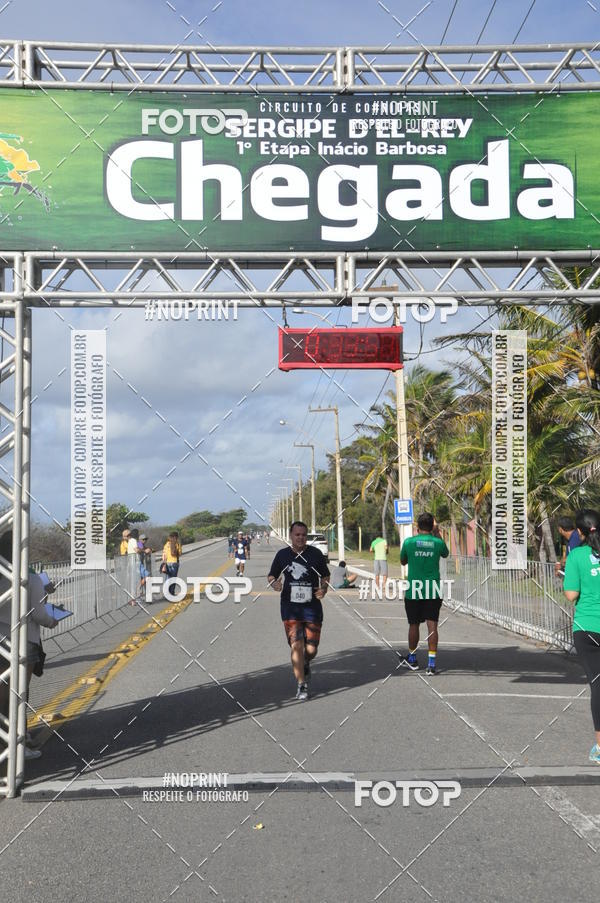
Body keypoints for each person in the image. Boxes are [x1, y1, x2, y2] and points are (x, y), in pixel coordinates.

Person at [267, 521, 329, 701]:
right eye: (297, 535)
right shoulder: (283, 555)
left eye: (303, 535)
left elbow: (325, 575)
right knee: (297, 645)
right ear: (290, 536)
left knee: (311, 649)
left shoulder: (315, 554)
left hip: (312, 608)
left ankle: (306, 662)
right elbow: (272, 575)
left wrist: (323, 588)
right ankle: (302, 685)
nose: (300, 538)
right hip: (290, 608)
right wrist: (275, 583)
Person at [563, 509, 600, 764]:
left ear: (580, 532)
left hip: (587, 628)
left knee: (598, 685)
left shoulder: (577, 555)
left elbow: (571, 595)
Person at [400, 512, 449, 675]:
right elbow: (445, 553)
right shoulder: (437, 542)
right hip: (433, 589)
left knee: (413, 624)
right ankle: (432, 664)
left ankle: (413, 660)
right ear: (432, 526)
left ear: (417, 526)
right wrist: (436, 532)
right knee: (432, 625)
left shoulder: (408, 542)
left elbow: (403, 561)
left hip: (414, 589)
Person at [162, 531, 182, 596]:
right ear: (176, 537)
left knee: (168, 579)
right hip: (174, 562)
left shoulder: (166, 544)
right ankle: (171, 593)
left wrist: (164, 564)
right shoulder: (177, 544)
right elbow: (180, 553)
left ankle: (166, 593)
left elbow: (164, 555)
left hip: (168, 563)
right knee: (173, 579)